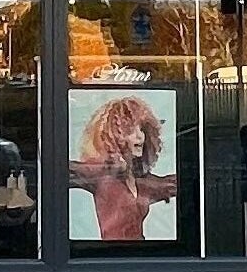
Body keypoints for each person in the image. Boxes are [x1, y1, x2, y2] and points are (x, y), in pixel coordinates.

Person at [69, 96, 179, 241]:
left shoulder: (142, 180)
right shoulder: (101, 173)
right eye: (131, 131)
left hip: (141, 256)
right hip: (113, 257)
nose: (140, 137)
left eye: (142, 130)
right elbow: (57, 170)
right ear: (115, 136)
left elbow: (178, 183)